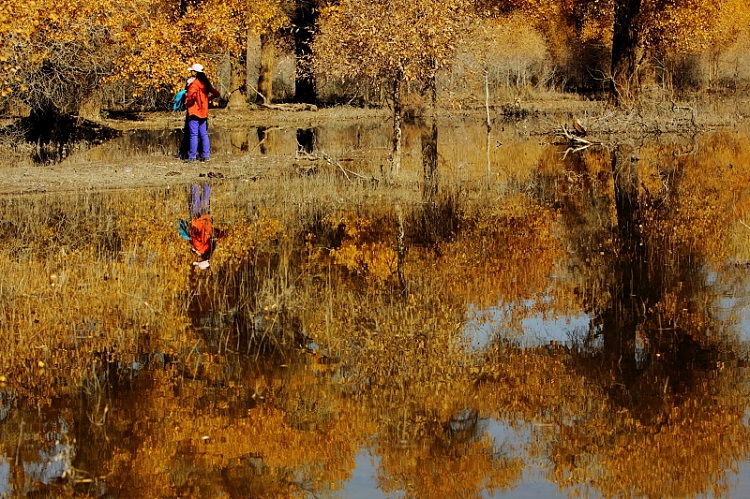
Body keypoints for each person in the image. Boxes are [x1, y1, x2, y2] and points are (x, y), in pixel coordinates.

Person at [178, 184, 223, 269]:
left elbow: (213, 236)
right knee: (195, 204)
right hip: (197, 223)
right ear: (201, 259)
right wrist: (193, 245)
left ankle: (207, 185)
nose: (197, 259)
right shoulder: (200, 248)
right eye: (198, 260)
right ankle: (195, 185)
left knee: (205, 203)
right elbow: (194, 236)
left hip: (206, 222)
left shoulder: (209, 249)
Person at [185, 63, 220, 162]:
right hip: (203, 112)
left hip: (194, 111)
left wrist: (187, 101)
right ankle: (205, 156)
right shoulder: (206, 83)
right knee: (204, 134)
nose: (190, 72)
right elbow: (217, 93)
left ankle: (192, 157)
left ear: (195, 72)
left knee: (193, 134)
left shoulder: (194, 84)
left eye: (191, 70)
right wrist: (207, 99)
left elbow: (191, 97)